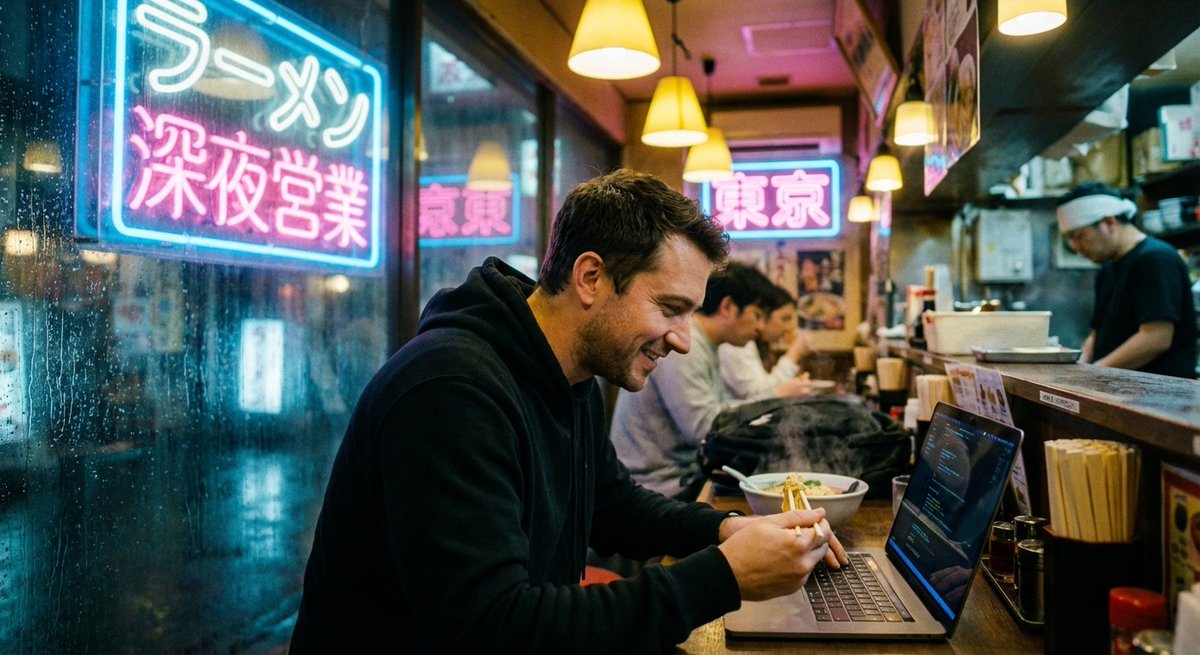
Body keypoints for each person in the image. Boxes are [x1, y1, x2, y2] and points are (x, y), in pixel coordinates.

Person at [290, 169, 846, 654]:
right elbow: (491, 630)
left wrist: (729, 529)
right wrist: (724, 576)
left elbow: (608, 501)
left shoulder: (567, 369)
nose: (681, 341)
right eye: (670, 309)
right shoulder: (450, 390)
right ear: (590, 277)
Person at [609, 262, 810, 501]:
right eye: (757, 315)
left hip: (682, 475)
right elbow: (701, 427)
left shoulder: (709, 344)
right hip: (654, 486)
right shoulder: (688, 346)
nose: (760, 327)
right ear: (728, 307)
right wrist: (772, 399)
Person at [1056, 182, 1196, 378]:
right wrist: (1080, 367)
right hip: (1119, 391)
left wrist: (1095, 372)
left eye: (1079, 236)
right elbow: (1097, 334)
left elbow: (1156, 337)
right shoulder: (1108, 269)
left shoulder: (1155, 258)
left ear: (1109, 222)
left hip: (1161, 398)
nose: (1076, 247)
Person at [719, 283, 814, 401]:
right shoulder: (738, 342)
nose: (788, 328)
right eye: (784, 319)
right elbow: (760, 396)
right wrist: (794, 354)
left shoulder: (757, 344)